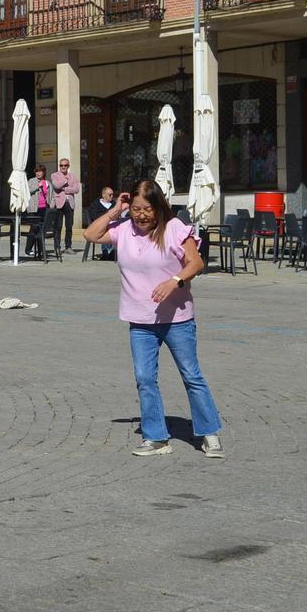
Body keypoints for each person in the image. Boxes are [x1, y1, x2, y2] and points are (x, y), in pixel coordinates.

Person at [82, 181, 225, 459]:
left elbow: (196, 263)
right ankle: (156, 437)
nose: (141, 215)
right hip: (140, 321)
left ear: (158, 207)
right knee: (145, 378)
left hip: (177, 319)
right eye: (136, 209)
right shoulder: (124, 229)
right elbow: (90, 234)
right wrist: (116, 210)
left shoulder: (174, 228)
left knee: (191, 375)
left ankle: (209, 432)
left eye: (147, 209)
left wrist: (174, 281)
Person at [51, 158, 80, 251]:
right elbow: (56, 186)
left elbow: (76, 189)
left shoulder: (73, 176)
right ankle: (57, 247)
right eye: (61, 165)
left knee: (69, 226)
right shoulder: (54, 175)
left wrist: (65, 189)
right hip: (59, 203)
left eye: (65, 165)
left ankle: (68, 247)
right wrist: (64, 180)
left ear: (68, 166)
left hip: (69, 203)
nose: (63, 167)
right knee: (58, 226)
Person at [24, 164, 51, 258]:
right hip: (34, 208)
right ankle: (28, 249)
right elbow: (27, 191)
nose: (38, 173)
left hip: (44, 208)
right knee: (33, 228)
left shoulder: (47, 182)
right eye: (37, 171)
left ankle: (40, 250)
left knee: (41, 230)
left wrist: (51, 205)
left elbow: (51, 195)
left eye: (40, 171)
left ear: (44, 172)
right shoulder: (31, 181)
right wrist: (37, 186)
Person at [87, 187, 117, 260]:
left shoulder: (114, 204)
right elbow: (94, 217)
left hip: (113, 226)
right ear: (103, 195)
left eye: (112, 195)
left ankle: (113, 252)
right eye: (110, 195)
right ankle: (105, 251)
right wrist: (107, 218)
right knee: (105, 226)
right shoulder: (96, 204)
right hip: (99, 227)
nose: (112, 196)